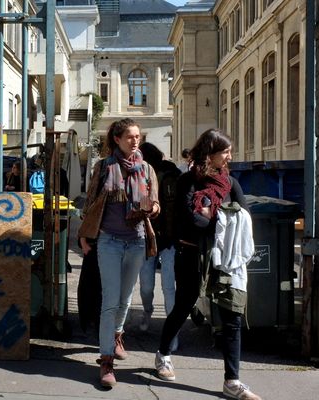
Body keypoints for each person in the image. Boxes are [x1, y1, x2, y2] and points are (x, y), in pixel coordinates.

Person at [154, 129, 261, 400]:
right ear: (209, 153)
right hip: (192, 255)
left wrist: (211, 217)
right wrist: (221, 219)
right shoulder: (187, 181)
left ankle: (232, 380)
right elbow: (189, 219)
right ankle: (163, 354)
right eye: (224, 151)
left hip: (225, 259)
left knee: (232, 316)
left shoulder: (230, 183)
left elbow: (244, 218)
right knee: (183, 305)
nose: (229, 156)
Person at [78, 118, 159, 388]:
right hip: (109, 241)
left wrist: (151, 207)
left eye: (138, 136)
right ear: (117, 139)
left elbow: (156, 206)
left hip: (136, 241)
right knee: (110, 301)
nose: (135, 141)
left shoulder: (147, 169)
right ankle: (106, 361)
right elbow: (89, 202)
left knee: (125, 299)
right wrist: (84, 236)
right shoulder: (103, 167)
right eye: (129, 137)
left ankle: (117, 334)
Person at [137, 142, 181, 352]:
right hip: (148, 239)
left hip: (169, 240)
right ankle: (147, 310)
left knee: (168, 288)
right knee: (146, 286)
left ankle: (173, 335)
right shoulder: (139, 176)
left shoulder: (171, 175)